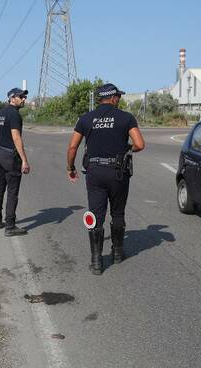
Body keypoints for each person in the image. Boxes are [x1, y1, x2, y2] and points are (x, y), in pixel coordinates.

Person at [66, 83, 145, 275]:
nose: (120, 99)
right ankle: (117, 254)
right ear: (113, 98)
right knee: (117, 213)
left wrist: (71, 167)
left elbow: (73, 147)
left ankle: (96, 261)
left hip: (95, 172)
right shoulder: (126, 117)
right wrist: (127, 149)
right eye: (118, 96)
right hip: (118, 172)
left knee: (96, 215)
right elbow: (140, 144)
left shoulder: (85, 118)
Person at [0, 87, 31, 237]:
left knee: (0, 188)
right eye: (21, 97)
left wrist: (2, 139)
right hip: (10, 156)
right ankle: (10, 226)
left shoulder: (1, 113)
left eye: (24, 97)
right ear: (12, 98)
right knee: (12, 192)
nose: (24, 99)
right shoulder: (14, 115)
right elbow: (16, 138)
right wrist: (24, 160)